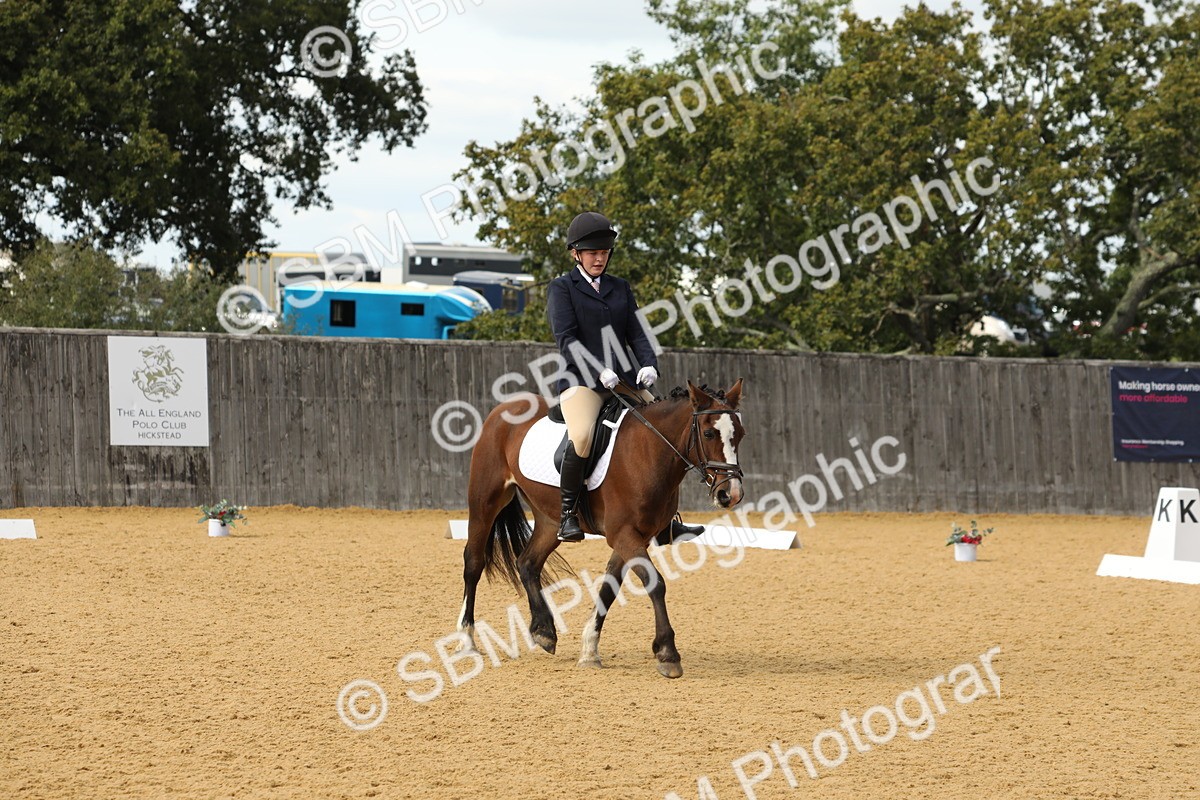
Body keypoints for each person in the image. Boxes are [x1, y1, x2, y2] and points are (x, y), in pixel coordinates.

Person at [546, 211, 703, 543]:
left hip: (624, 381)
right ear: (576, 253)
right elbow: (567, 339)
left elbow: (638, 333)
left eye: (604, 252)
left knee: (665, 430)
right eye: (592, 252)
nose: (599, 258)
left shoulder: (620, 288)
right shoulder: (562, 289)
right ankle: (567, 515)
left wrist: (648, 364)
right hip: (582, 382)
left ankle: (668, 519)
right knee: (584, 437)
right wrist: (596, 370)